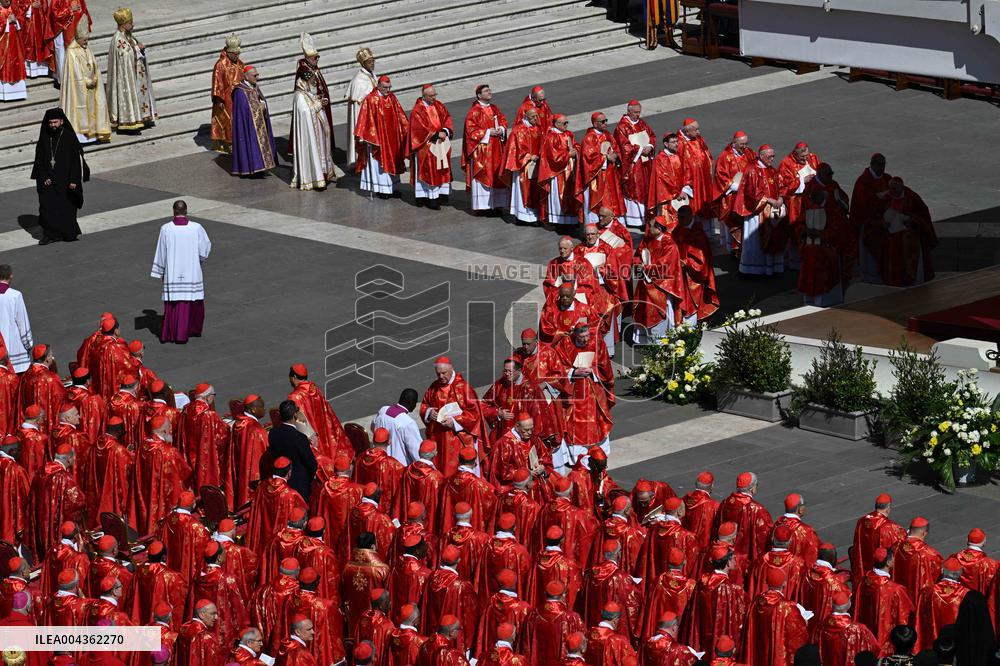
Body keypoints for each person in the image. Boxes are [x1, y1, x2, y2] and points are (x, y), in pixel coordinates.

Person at [150, 200, 211, 344]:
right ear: (186, 211)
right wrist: (198, 262)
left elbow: (161, 252)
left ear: (173, 212)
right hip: (191, 272)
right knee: (192, 301)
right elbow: (205, 250)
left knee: (174, 303)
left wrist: (161, 271)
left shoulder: (166, 229)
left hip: (173, 273)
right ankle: (191, 330)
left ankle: (172, 333)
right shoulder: (196, 228)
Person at [31, 107, 87, 245]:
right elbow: (39, 160)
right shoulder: (44, 138)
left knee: (66, 207)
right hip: (48, 181)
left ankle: (68, 232)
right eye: (50, 123)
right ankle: (50, 234)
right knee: (48, 208)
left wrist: (74, 180)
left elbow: (75, 160)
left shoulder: (69, 137)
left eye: (55, 122)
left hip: (66, 180)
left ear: (61, 121)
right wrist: (44, 177)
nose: (53, 125)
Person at [288, 33, 334, 191]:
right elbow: (311, 84)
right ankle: (315, 175)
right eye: (315, 58)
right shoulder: (303, 70)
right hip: (311, 119)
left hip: (318, 113)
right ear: (308, 58)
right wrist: (318, 104)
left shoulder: (313, 68)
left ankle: (324, 172)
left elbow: (315, 88)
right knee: (314, 147)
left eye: (318, 57)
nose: (317, 60)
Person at [871, 176, 936, 287]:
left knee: (910, 271)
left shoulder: (912, 198)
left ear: (902, 188)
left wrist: (912, 220)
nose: (892, 191)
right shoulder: (885, 199)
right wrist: (882, 224)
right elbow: (874, 218)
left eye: (895, 189)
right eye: (890, 188)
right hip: (891, 242)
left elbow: (924, 216)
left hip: (910, 241)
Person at [852, 547, 915, 656]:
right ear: (889, 562)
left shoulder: (864, 581)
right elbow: (907, 613)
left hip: (866, 635)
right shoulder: (896, 589)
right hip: (886, 639)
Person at [354, 74, 408, 199]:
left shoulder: (392, 97)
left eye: (389, 87)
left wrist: (406, 129)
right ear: (378, 86)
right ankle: (382, 189)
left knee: (393, 161)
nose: (388, 90)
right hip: (378, 139)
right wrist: (365, 136)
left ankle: (394, 187)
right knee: (380, 164)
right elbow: (364, 118)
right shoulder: (371, 99)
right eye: (385, 87)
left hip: (392, 137)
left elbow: (400, 114)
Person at [735, 144, 785, 276]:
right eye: (769, 156)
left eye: (773, 156)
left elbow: (780, 185)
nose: (772, 159)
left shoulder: (772, 170)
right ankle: (752, 270)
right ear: (761, 155)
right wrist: (769, 200)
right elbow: (752, 192)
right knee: (755, 242)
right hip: (756, 214)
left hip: (772, 210)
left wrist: (780, 198)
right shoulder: (752, 170)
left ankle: (769, 268)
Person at [106, 7, 156, 133]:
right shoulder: (118, 39)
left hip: (135, 74)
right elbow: (124, 56)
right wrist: (137, 49)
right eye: (130, 22)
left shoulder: (128, 36)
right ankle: (128, 122)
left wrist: (138, 48)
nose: (133, 24)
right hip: (125, 79)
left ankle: (141, 118)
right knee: (127, 96)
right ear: (123, 24)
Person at [462, 83, 509, 214]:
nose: (490, 92)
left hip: (496, 148)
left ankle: (498, 205)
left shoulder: (494, 108)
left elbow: (503, 121)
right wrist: (488, 132)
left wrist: (501, 129)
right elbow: (470, 132)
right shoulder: (474, 111)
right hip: (482, 150)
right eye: (486, 91)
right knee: (484, 175)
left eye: (490, 90)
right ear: (479, 95)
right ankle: (484, 207)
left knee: (497, 175)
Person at [59, 22, 108, 145]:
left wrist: (96, 77)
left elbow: (94, 64)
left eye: (87, 40)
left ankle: (94, 136)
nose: (86, 42)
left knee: (92, 110)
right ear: (78, 38)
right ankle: (81, 139)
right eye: (84, 40)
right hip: (79, 90)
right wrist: (87, 81)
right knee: (80, 112)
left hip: (91, 88)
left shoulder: (87, 48)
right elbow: (75, 74)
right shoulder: (71, 52)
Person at [407, 83, 453, 209]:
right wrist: (436, 134)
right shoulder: (418, 110)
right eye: (431, 96)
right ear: (424, 96)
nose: (434, 98)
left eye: (435, 95)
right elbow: (418, 130)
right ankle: (429, 198)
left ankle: (442, 195)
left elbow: (447, 118)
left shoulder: (439, 105)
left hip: (441, 144)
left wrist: (445, 131)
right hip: (426, 145)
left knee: (442, 170)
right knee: (429, 171)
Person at [673, 204, 720, 324]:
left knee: (693, 301)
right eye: (679, 217)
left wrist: (687, 264)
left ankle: (693, 325)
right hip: (679, 273)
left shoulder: (698, 235)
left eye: (683, 217)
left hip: (693, 276)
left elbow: (702, 261)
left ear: (690, 216)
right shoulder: (677, 230)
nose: (680, 220)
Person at [613, 100, 655, 228]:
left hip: (645, 162)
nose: (638, 115)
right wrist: (640, 149)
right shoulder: (622, 127)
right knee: (635, 188)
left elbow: (651, 136)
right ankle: (635, 220)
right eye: (635, 112)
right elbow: (623, 146)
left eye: (639, 112)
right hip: (633, 164)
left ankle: (646, 217)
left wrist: (650, 146)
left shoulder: (642, 124)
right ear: (629, 112)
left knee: (647, 187)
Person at [576, 111, 624, 224]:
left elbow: (615, 147)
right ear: (594, 123)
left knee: (612, 199)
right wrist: (606, 158)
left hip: (609, 174)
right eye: (602, 122)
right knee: (598, 202)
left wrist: (616, 155)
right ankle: (595, 226)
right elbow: (588, 159)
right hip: (596, 177)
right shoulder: (589, 138)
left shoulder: (607, 134)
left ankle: (613, 224)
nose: (605, 123)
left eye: (605, 121)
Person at [851, 153, 891, 283]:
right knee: (868, 253)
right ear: (873, 164)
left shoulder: (887, 179)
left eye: (884, 164)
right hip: (868, 224)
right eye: (880, 164)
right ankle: (869, 277)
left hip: (884, 224)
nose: (882, 167)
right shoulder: (863, 182)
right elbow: (863, 203)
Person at [231, 64, 277, 176]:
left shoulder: (254, 86)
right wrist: (258, 107)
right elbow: (243, 109)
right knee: (251, 144)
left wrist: (263, 106)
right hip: (248, 126)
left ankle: (262, 166)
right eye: (255, 75)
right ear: (246, 77)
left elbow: (261, 101)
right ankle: (252, 168)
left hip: (259, 124)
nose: (257, 78)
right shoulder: (240, 91)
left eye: (257, 75)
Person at [268, 400, 318, 501]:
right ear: (295, 415)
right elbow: (311, 463)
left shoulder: (272, 433)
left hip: (280, 481)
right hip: (299, 483)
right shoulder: (300, 437)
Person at [677, 118, 717, 243]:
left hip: (703, 179)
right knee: (694, 207)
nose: (699, 132)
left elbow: (707, 154)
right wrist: (685, 185)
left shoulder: (698, 139)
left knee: (704, 205)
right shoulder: (680, 143)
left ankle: (706, 234)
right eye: (696, 130)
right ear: (687, 132)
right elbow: (679, 165)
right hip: (691, 183)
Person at [915, 559, 970, 652]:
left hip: (932, 640)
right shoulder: (966, 594)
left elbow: (920, 617)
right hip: (957, 642)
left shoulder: (927, 591)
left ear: (942, 571)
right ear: (960, 574)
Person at [714, 131, 755, 254]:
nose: (745, 146)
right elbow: (720, 176)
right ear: (734, 143)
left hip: (746, 195)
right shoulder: (725, 156)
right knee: (734, 222)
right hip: (732, 195)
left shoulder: (749, 153)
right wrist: (735, 185)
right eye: (742, 144)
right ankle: (733, 249)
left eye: (746, 143)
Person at [537, 113, 579, 226]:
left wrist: (576, 151)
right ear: (556, 124)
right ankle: (558, 221)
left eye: (567, 123)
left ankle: (571, 221)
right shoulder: (551, 137)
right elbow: (553, 157)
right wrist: (568, 155)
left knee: (570, 194)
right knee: (559, 196)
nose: (566, 125)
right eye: (564, 123)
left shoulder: (568, 134)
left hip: (570, 170)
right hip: (557, 173)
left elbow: (575, 145)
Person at [892, 516, 943, 606]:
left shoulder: (896, 546)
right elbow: (938, 575)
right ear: (924, 533)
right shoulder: (929, 554)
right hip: (918, 599)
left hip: (898, 595)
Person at [505, 107, 543, 224]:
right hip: (523, 167)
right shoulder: (518, 130)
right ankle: (522, 217)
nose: (536, 119)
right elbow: (515, 150)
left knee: (534, 190)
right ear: (525, 116)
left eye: (537, 116)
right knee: (524, 191)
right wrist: (528, 157)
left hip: (535, 164)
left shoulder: (537, 128)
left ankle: (534, 216)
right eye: (532, 117)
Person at [210, 34, 244, 153]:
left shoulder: (240, 63)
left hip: (239, 96)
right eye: (235, 54)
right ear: (229, 52)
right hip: (225, 98)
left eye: (238, 54)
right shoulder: (220, 64)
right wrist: (219, 100)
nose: (237, 56)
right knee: (228, 121)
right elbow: (216, 82)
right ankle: (228, 144)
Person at [372, 389, 422, 466]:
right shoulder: (408, 423)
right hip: (398, 467)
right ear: (413, 403)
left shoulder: (383, 410)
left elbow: (373, 428)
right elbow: (416, 451)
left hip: (379, 461)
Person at [345, 47, 376, 167]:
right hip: (363, 115)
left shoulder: (371, 74)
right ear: (363, 64)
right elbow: (360, 102)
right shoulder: (358, 81)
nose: (372, 64)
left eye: (373, 61)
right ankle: (359, 162)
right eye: (369, 62)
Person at [647, 132, 685, 227]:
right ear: (666, 144)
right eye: (673, 142)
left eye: (677, 141)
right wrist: (676, 192)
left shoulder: (679, 155)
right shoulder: (660, 159)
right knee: (668, 223)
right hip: (668, 198)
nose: (676, 144)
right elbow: (663, 179)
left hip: (682, 195)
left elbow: (686, 173)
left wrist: (685, 189)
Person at [0, 266, 33, 372]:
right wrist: (28, 343)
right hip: (14, 350)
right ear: (10, 276)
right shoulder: (15, 295)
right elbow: (22, 322)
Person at [20, 0, 54, 81]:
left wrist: (42, 5)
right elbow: (18, 5)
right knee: (31, 43)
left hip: (41, 19)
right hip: (29, 22)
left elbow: (45, 6)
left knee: (41, 44)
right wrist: (30, 6)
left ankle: (43, 70)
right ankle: (31, 71)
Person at [0, 0, 26, 101]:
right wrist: (7, 22)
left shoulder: (13, 8)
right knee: (6, 66)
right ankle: (5, 94)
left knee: (17, 64)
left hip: (15, 42)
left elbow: (21, 19)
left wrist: (16, 21)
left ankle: (18, 94)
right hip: (3, 46)